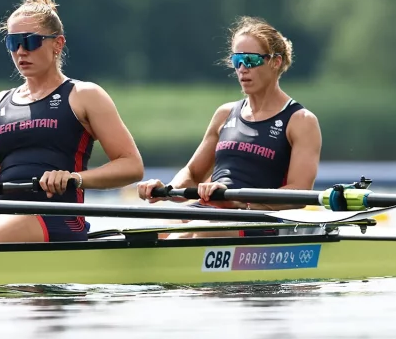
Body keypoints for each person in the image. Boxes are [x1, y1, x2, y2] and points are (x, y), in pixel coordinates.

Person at [0, 0, 144, 244]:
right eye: (13, 42)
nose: (21, 51)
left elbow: (132, 165)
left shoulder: (84, 96)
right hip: (2, 214)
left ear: (58, 44)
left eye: (31, 42)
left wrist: (75, 179)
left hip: (59, 214)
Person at [136, 16, 322, 233]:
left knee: (197, 230)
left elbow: (298, 195)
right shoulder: (224, 114)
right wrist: (166, 189)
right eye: (237, 60)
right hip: (211, 212)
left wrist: (239, 202)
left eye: (250, 60)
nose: (242, 68)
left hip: (260, 220)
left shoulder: (301, 121)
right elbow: (193, 174)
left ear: (275, 61)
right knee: (144, 234)